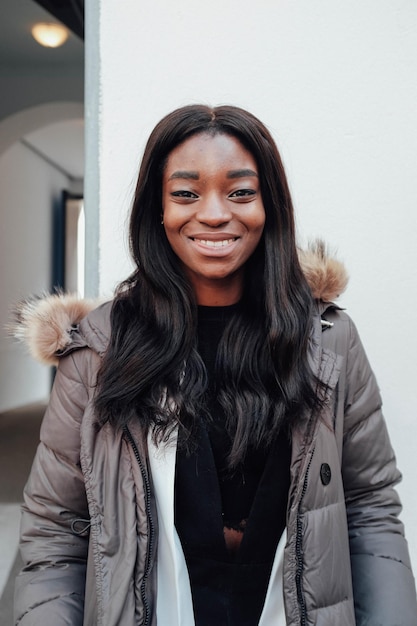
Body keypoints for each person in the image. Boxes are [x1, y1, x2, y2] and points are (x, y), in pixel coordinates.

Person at [12, 104, 417, 626]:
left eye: (240, 192)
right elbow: (55, 529)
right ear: (157, 209)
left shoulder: (329, 340)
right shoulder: (97, 351)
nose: (214, 213)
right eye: (185, 193)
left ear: (269, 205)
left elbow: (368, 508)